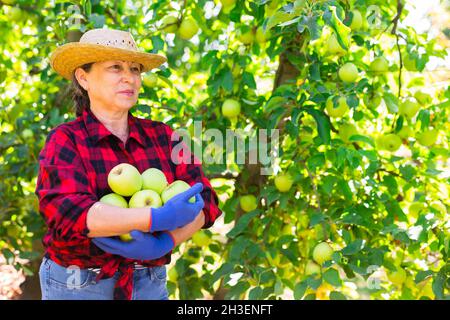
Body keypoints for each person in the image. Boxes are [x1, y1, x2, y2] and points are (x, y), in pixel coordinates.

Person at [35, 28, 222, 300]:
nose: (129, 77)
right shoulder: (66, 140)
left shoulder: (164, 136)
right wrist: (152, 219)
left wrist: (167, 241)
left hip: (148, 281)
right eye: (115, 67)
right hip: (79, 284)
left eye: (135, 69)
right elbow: (65, 211)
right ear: (83, 77)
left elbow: (206, 198)